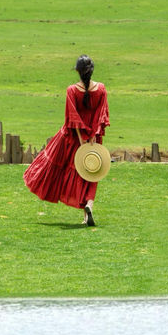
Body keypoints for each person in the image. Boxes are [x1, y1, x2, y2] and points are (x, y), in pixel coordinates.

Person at [23, 55, 110, 226]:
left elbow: (72, 117)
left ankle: (83, 208)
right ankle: (89, 206)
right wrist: (93, 135)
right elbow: (101, 113)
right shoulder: (101, 89)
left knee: (60, 167)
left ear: (77, 71)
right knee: (93, 172)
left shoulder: (71, 90)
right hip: (94, 139)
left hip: (73, 139)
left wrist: (81, 138)